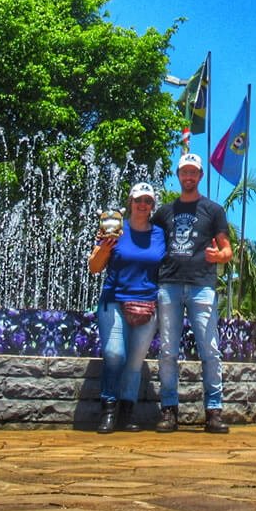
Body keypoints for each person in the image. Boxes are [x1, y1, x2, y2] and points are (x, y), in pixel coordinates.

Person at [152, 152, 234, 434]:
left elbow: (227, 250)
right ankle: (169, 409)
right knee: (167, 351)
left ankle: (213, 410)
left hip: (202, 286)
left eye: (193, 173)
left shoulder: (213, 210)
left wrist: (218, 256)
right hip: (169, 284)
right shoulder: (164, 213)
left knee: (210, 350)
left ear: (200, 176)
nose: (188, 177)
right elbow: (151, 246)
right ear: (179, 176)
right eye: (184, 172)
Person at [87, 181, 166, 434]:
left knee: (134, 362)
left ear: (153, 206)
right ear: (130, 202)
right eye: (138, 200)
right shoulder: (115, 230)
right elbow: (94, 267)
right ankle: (108, 408)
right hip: (114, 301)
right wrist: (105, 249)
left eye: (148, 201)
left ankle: (127, 413)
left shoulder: (159, 234)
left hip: (147, 304)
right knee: (114, 354)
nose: (143, 205)